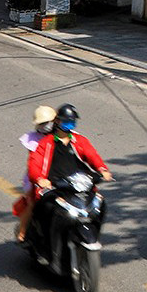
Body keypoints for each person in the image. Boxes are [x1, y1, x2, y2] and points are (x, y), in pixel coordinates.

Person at [21, 104, 112, 242]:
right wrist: (39, 179)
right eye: (66, 121)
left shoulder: (79, 140)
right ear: (57, 121)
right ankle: (45, 242)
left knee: (100, 203)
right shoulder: (45, 143)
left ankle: (93, 234)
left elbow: (92, 155)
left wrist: (102, 169)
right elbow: (35, 163)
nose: (69, 124)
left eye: (72, 121)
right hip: (54, 184)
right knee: (44, 208)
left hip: (77, 183)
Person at [13, 106, 57, 242]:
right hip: (36, 177)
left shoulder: (62, 135)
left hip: (58, 175)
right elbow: (34, 162)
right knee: (32, 204)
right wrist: (39, 178)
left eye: (48, 122)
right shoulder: (33, 139)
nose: (46, 125)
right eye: (43, 123)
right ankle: (22, 231)